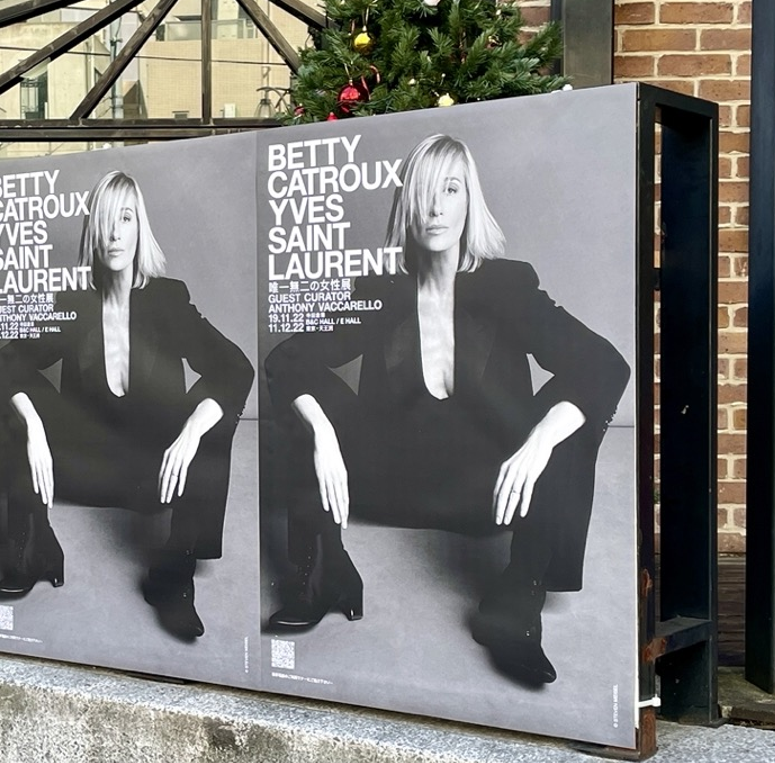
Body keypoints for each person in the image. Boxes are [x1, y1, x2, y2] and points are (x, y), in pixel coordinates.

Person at [264, 133, 629, 687]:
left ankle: (516, 600)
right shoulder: (380, 290)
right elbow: (287, 360)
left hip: (487, 489)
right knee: (308, 404)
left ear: (468, 202)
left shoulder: (508, 286)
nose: (435, 207)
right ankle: (324, 571)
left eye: (450, 190)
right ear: (406, 203)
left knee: (565, 420)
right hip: (391, 479)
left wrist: (538, 442)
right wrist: (323, 433)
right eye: (425, 191)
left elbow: (603, 364)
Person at [0, 169, 254, 641]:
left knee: (211, 419)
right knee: (22, 407)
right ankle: (34, 548)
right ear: (93, 230)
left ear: (139, 228)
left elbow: (235, 369)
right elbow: (6, 365)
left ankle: (174, 576)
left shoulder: (168, 299)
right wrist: (34, 430)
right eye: (106, 220)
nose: (114, 233)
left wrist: (190, 433)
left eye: (126, 219)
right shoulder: (72, 302)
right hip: (87, 459)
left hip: (153, 466)